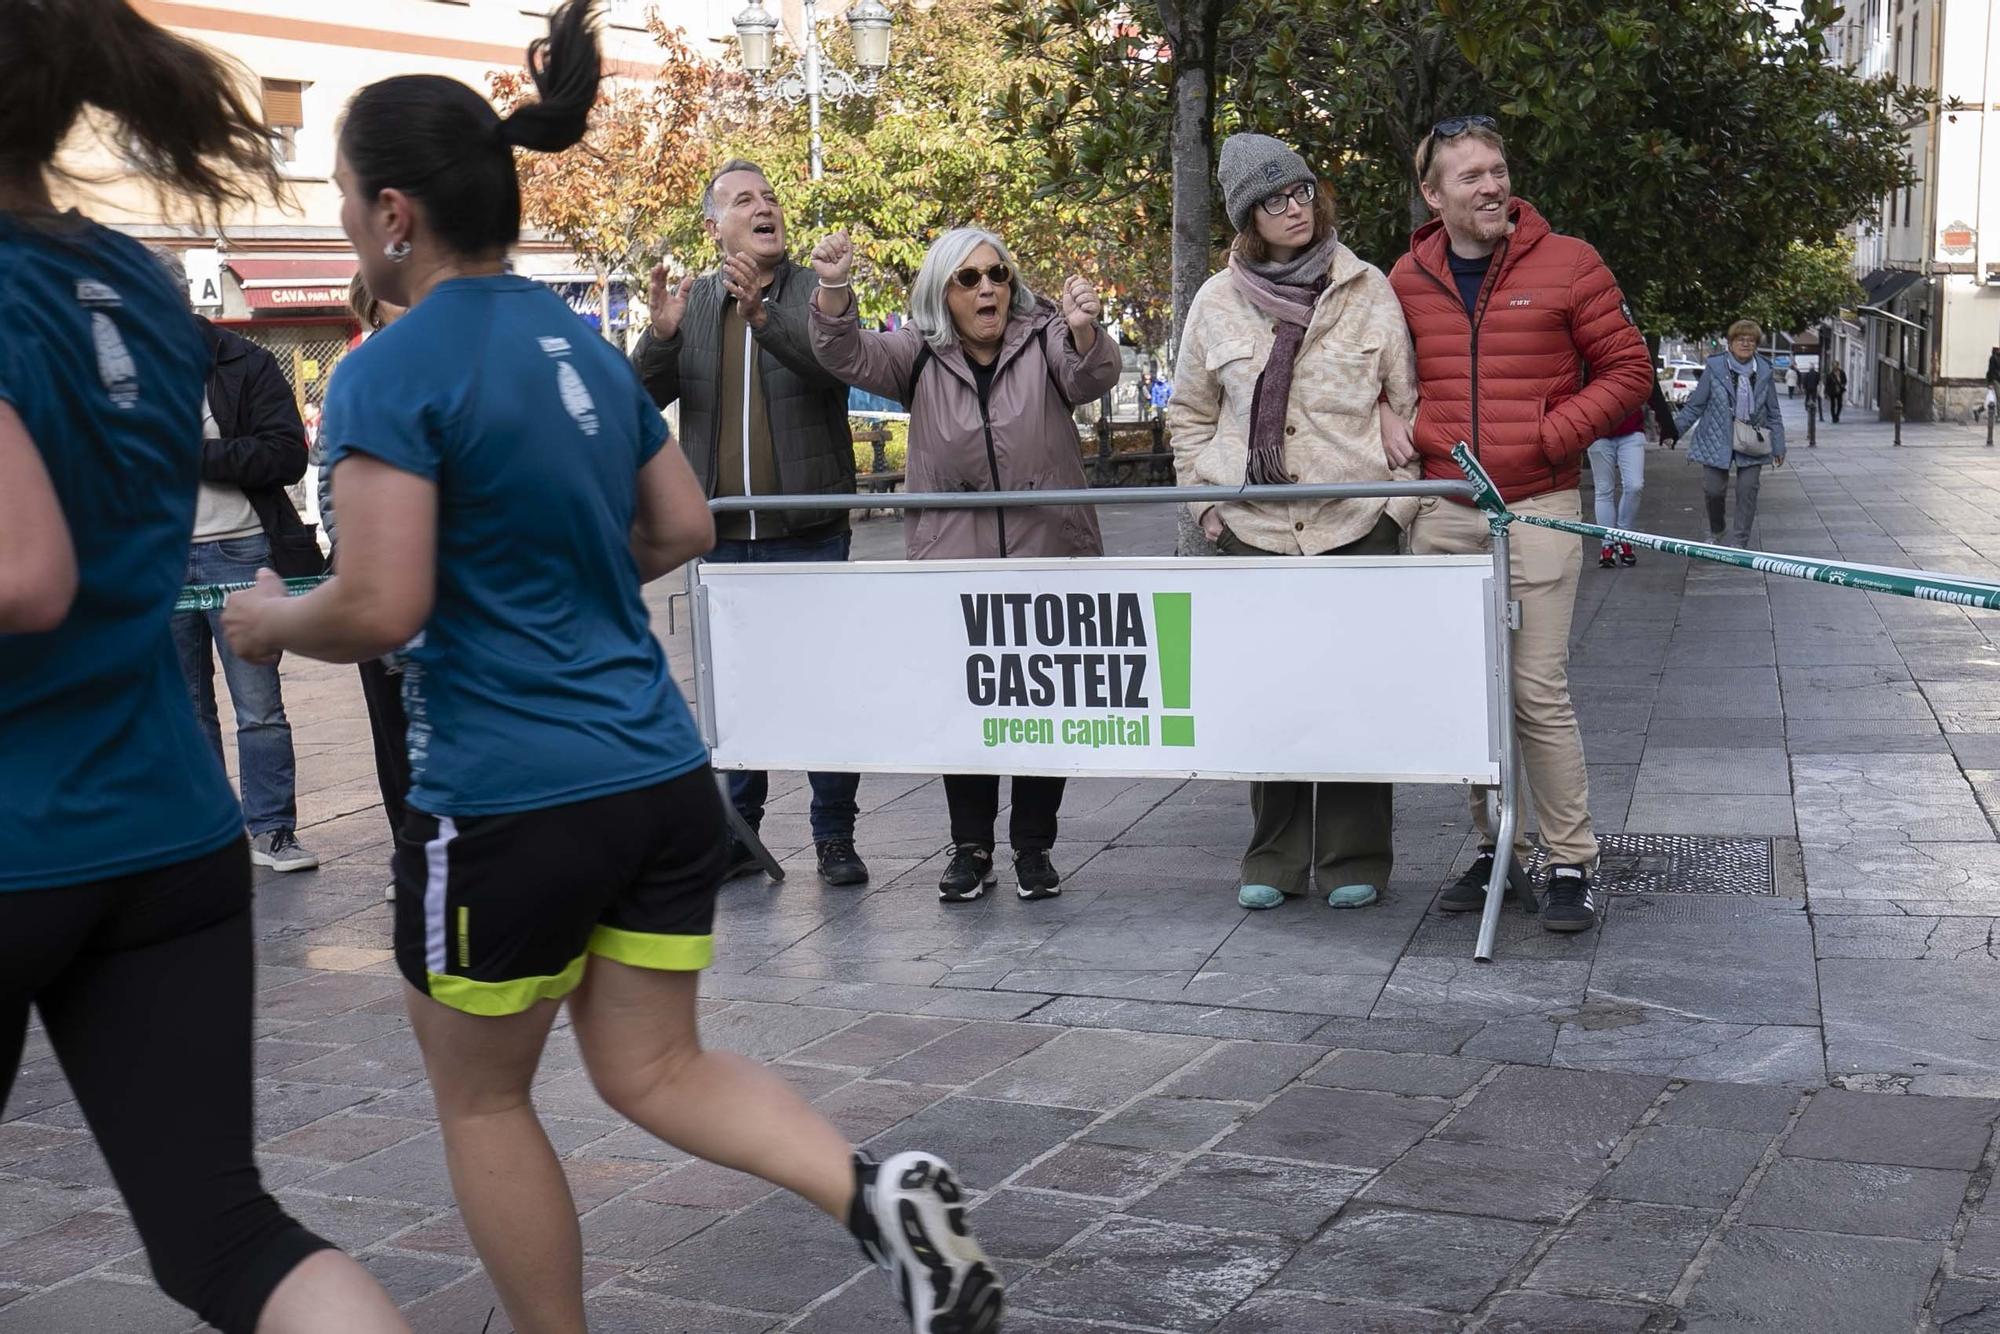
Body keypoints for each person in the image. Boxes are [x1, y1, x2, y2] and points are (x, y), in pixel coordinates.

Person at [219, 8, 1002, 1332]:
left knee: (482, 1095)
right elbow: (684, 527)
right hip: (652, 769)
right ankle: (873, 1197)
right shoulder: (578, 343)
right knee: (659, 1064)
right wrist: (564, 581)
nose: (347, 220)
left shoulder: (385, 370)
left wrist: (272, 620)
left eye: (346, 197)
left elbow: (381, 600)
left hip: (505, 792)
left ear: (394, 212)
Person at [0, 3, 411, 1330]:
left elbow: (25, 572)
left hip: (18, 834)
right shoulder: (122, 276)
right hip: (167, 828)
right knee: (225, 1233)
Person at [1386, 115, 1653, 934]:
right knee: (1471, 694)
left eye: (1496, 169)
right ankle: (1500, 841)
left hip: (1537, 508)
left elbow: (1629, 370)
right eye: (1469, 176)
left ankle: (1570, 856)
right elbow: (1379, 371)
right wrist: (1392, 420)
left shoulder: (1570, 263)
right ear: (1433, 195)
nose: (1491, 186)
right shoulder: (1403, 278)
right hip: (1446, 511)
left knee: (1535, 690)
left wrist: (1548, 436)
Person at [809, 226, 1120, 903]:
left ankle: (1034, 850)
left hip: (1049, 558)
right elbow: (842, 351)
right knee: (971, 709)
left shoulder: (1046, 337)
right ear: (942, 292)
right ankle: (971, 849)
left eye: (998, 274)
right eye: (970, 278)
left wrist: (1086, 330)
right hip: (955, 570)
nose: (988, 288)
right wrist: (834, 288)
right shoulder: (915, 354)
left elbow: (1093, 377)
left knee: (1044, 709)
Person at [1168, 133, 1418, 912]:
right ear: (1248, 214)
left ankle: (1355, 857)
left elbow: (1406, 407)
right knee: (1270, 696)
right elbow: (1188, 418)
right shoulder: (1216, 301)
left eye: (1303, 191)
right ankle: (1274, 856)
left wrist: (1397, 510)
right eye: (1275, 199)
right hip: (1257, 531)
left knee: (1353, 696)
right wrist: (1206, 504)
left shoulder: (1367, 287)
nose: (1295, 208)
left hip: (1355, 525)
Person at [632, 159, 868, 890]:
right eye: (744, 200)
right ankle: (740, 835)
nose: (764, 206)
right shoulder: (697, 302)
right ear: (716, 227)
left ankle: (833, 836)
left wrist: (766, 320)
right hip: (722, 537)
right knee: (734, 692)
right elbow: (637, 397)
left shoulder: (816, 290)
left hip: (810, 529)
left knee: (822, 687)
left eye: (769, 196)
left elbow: (832, 368)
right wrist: (661, 336)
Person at [156, 259, 324, 874]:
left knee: (259, 707)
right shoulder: (124, 371)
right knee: (187, 707)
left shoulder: (243, 361)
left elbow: (287, 455)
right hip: (163, 559)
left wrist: (193, 455)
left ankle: (273, 831)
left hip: (241, 550)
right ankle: (209, 832)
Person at [325, 273, 409, 901]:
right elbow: (332, 483)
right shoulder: (355, 374)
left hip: (452, 584)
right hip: (379, 581)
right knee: (394, 727)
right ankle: (412, 847)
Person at [1675, 320, 1786, 548]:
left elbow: (1773, 413)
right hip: (1717, 437)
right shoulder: (1715, 368)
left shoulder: (1764, 370)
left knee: (1748, 490)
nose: (1745, 344)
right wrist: (1672, 431)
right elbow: (1696, 405)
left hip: (1752, 438)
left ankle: (1740, 542)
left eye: (1751, 340)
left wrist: (1779, 445)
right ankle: (1717, 530)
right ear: (1731, 342)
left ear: (1756, 344)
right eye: (1740, 339)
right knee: (1713, 490)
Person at [1589, 377, 1678, 568]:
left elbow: (1650, 385)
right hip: (1598, 430)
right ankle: (1607, 546)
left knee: (1635, 485)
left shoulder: (1635, 349)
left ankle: (1623, 536)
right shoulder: (1591, 351)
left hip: (1630, 430)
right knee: (1604, 489)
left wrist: (1667, 427)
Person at [1800, 361, 1822, 425]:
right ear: (1814, 368)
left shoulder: (1807, 374)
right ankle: (1813, 406)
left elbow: (1804, 381)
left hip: (1808, 388)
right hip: (1814, 388)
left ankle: (1806, 407)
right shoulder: (1817, 374)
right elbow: (1818, 381)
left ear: (1810, 368)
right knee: (1813, 397)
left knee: (1807, 397)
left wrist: (1804, 388)